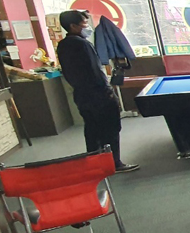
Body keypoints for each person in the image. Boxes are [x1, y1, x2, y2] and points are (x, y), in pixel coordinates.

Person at [56, 10, 138, 172]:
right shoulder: (82, 44)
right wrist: (107, 91)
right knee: (110, 128)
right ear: (73, 26)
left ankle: (94, 162)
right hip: (98, 94)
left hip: (81, 94)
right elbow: (95, 71)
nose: (87, 27)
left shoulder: (63, 45)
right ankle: (114, 163)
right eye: (84, 24)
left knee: (92, 129)